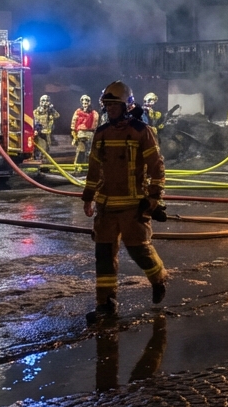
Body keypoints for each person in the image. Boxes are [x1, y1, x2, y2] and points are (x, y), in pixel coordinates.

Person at [82, 81, 168, 321]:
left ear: (127, 106)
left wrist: (153, 197)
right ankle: (106, 304)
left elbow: (157, 167)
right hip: (107, 207)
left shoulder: (141, 131)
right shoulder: (101, 133)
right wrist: (88, 198)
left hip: (133, 206)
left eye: (114, 105)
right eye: (107, 106)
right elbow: (94, 169)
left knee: (139, 251)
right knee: (104, 255)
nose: (109, 110)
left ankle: (159, 278)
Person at [72, 94, 98, 165]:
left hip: (90, 134)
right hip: (81, 134)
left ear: (89, 103)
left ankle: (90, 166)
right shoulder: (78, 112)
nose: (85, 105)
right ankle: (78, 165)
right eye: (83, 103)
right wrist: (74, 133)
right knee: (80, 150)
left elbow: (95, 124)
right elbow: (74, 123)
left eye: (86, 103)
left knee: (90, 151)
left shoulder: (94, 113)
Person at [32, 95, 60, 162]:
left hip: (47, 132)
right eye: (43, 101)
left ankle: (44, 162)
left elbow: (57, 116)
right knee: (41, 147)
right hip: (39, 132)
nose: (45, 103)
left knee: (47, 147)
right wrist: (35, 130)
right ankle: (39, 160)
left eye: (47, 101)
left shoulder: (50, 112)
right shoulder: (36, 112)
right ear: (40, 102)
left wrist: (52, 109)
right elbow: (33, 120)